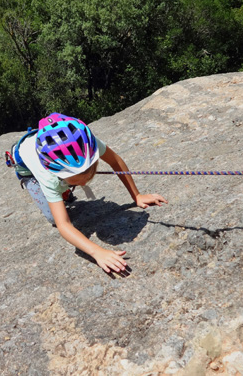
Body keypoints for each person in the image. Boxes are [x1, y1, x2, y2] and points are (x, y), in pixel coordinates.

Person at [9, 113, 168, 274]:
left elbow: (115, 161)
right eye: (78, 180)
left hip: (53, 151)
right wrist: (96, 252)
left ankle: (64, 190)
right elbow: (64, 225)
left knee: (61, 192)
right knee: (53, 217)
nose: (84, 183)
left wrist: (137, 196)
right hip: (26, 168)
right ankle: (61, 191)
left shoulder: (87, 146)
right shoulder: (49, 177)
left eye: (87, 175)